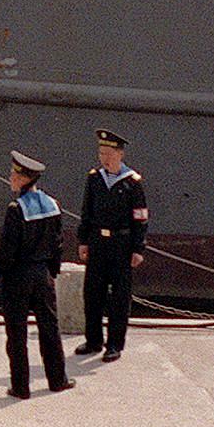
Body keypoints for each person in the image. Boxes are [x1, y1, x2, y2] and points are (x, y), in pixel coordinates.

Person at [0, 150, 74, 399]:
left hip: (18, 276)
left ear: (24, 178)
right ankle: (58, 380)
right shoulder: (53, 205)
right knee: (50, 327)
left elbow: (8, 248)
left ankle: (21, 387)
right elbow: (58, 243)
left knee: (16, 332)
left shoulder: (16, 208)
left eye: (14, 174)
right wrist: (53, 271)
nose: (11, 178)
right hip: (43, 274)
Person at [76, 128, 148, 361]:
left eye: (108, 152)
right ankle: (93, 340)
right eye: (101, 152)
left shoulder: (132, 183)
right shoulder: (95, 178)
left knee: (119, 296)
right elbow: (86, 211)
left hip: (122, 243)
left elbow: (140, 217)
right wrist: (83, 240)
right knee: (92, 292)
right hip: (98, 242)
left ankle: (115, 344)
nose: (103, 157)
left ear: (119, 154)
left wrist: (138, 248)